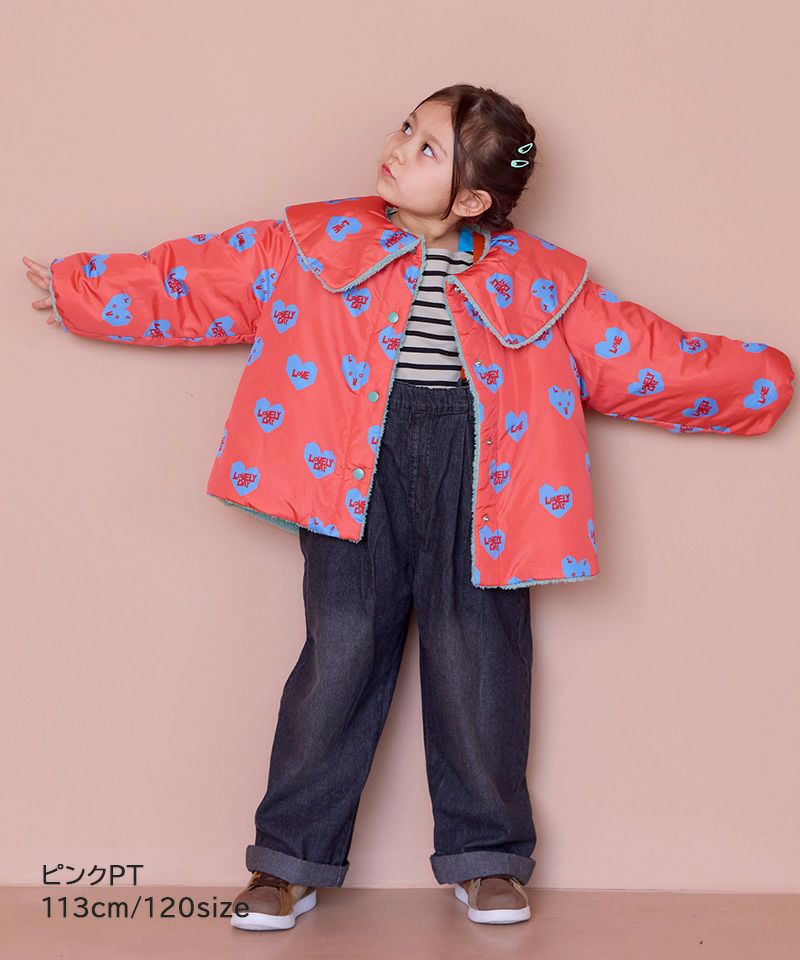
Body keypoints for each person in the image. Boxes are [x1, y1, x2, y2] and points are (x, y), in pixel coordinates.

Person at [23, 84, 794, 931]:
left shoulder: (543, 283)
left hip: (487, 478)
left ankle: (487, 857)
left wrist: (763, 382)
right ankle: (287, 861)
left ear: (471, 200)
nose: (397, 148)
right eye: (406, 128)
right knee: (340, 651)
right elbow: (199, 278)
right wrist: (84, 288)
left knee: (481, 659)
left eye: (427, 148)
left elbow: (642, 356)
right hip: (350, 469)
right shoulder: (312, 243)